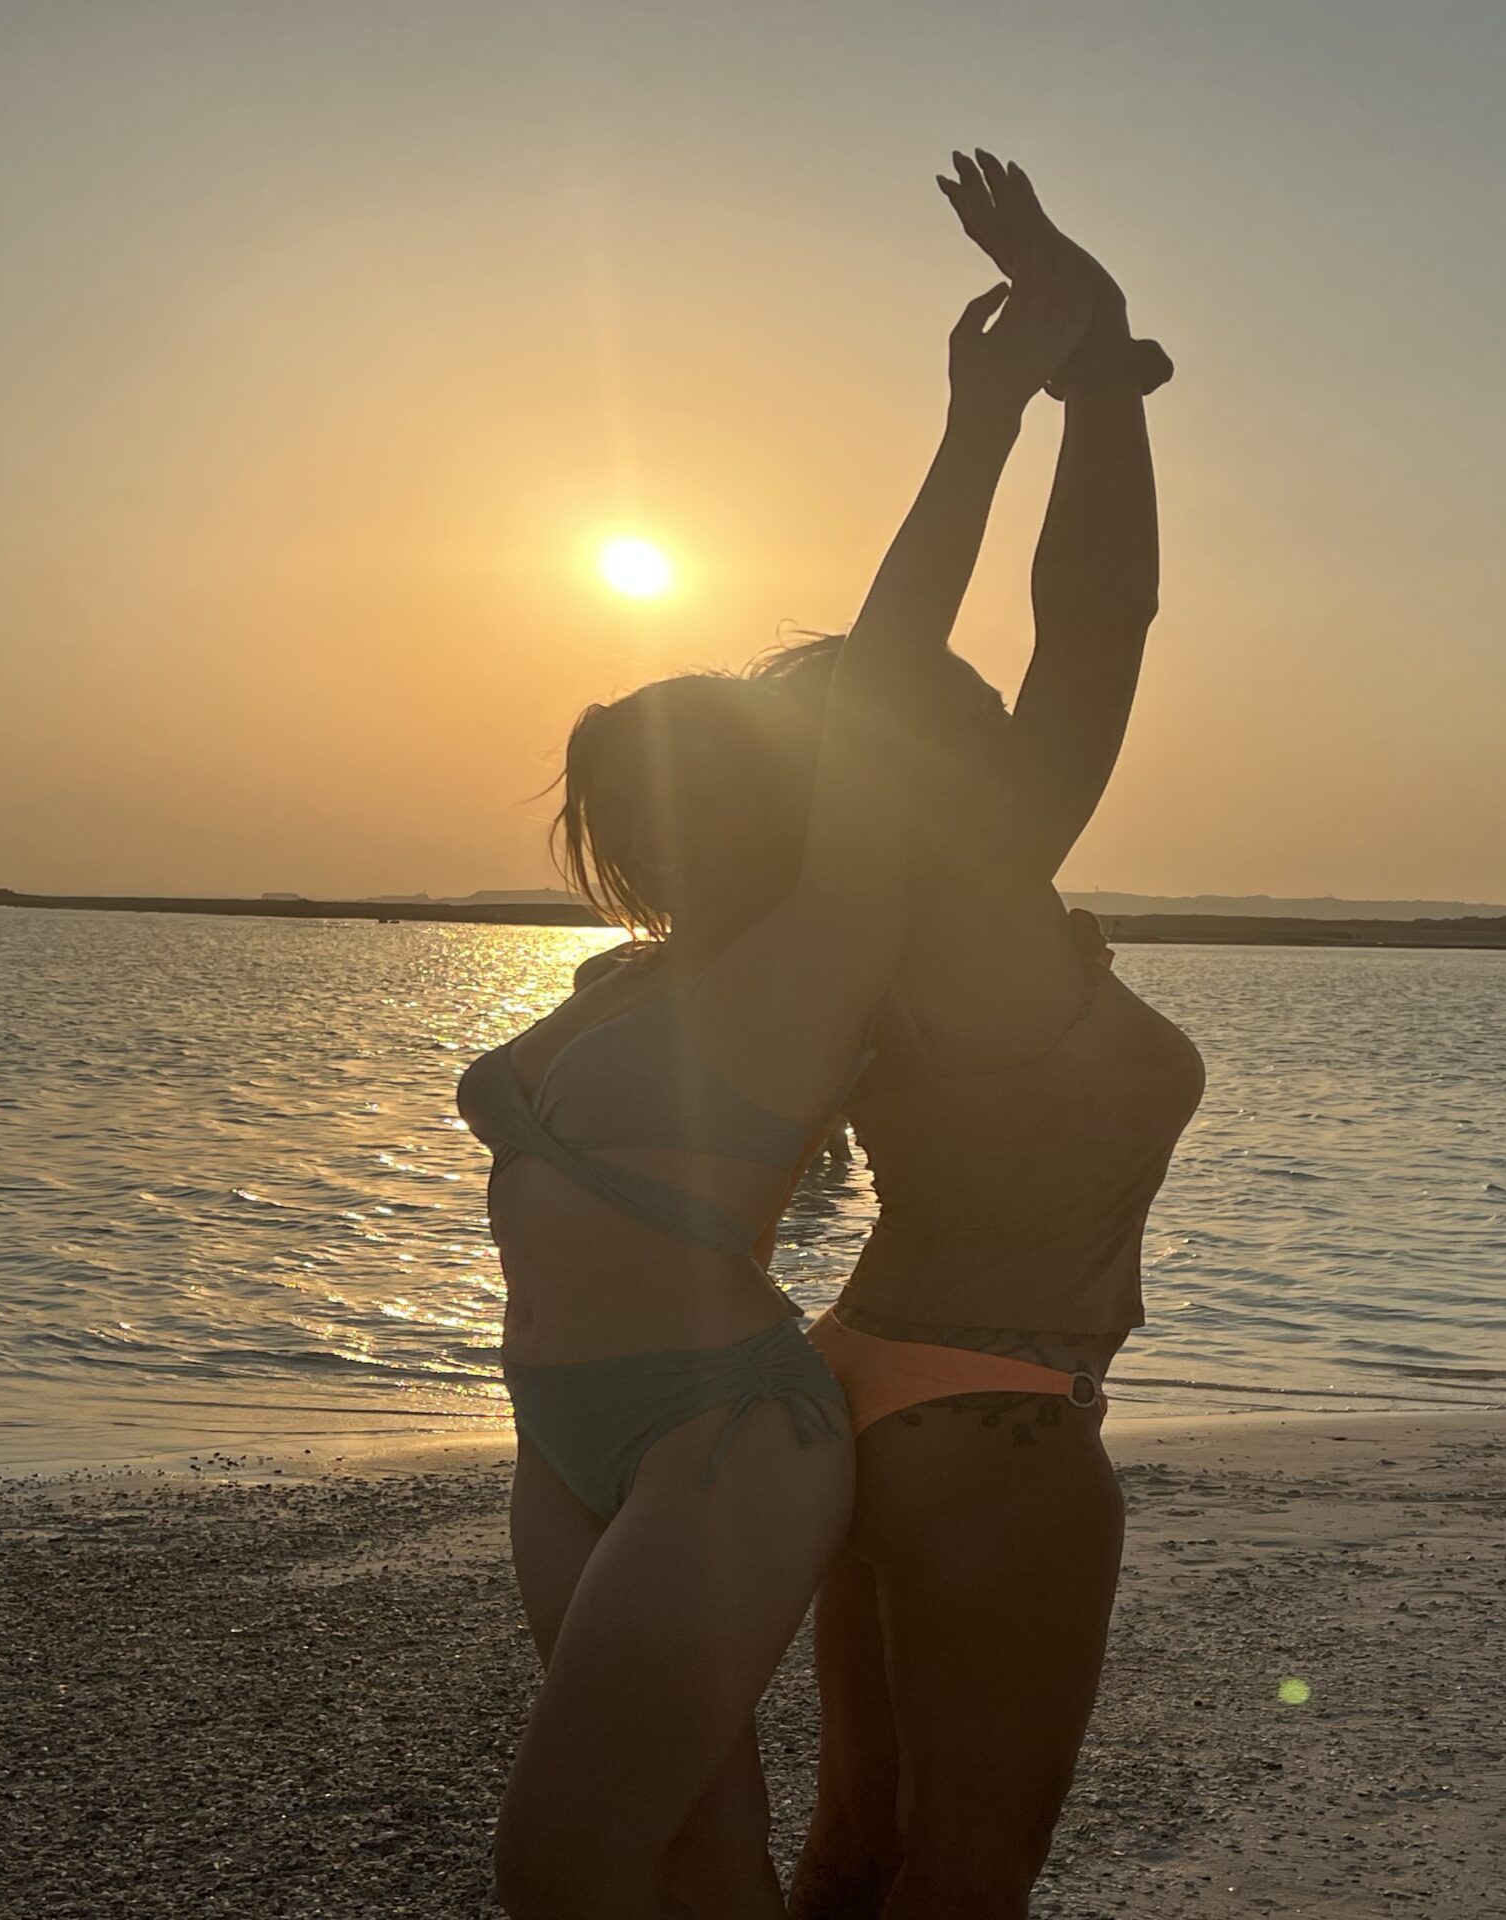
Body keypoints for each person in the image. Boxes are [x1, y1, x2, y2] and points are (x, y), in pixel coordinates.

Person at [457, 260, 1094, 1918]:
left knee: (557, 1867)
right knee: (693, 1842)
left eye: (676, 795)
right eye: (618, 810)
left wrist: (983, 421)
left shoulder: (824, 942)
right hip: (558, 1434)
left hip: (722, 1434)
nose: (648, 837)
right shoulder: (628, 978)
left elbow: (895, 663)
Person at [783, 153, 1205, 1920]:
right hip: (992, 1419)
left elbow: (1069, 639)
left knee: (864, 1852)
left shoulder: (846, 932)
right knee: (964, 1887)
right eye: (980, 715)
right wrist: (1058, 385)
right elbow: (1098, 623)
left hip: (874, 1388)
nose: (1024, 726)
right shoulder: (951, 909)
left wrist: (1066, 371)